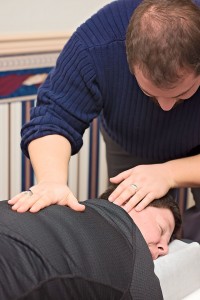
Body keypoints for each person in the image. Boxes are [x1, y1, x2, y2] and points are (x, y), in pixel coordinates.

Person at [8, 0, 200, 215]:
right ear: (129, 59)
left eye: (183, 93)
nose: (166, 108)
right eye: (149, 93)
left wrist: (169, 173)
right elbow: (53, 118)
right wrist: (52, 182)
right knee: (133, 223)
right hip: (131, 139)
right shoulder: (93, 46)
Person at [0, 188, 181, 300]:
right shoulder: (134, 257)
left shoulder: (59, 210)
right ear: (128, 200)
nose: (164, 249)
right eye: (162, 229)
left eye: (168, 242)